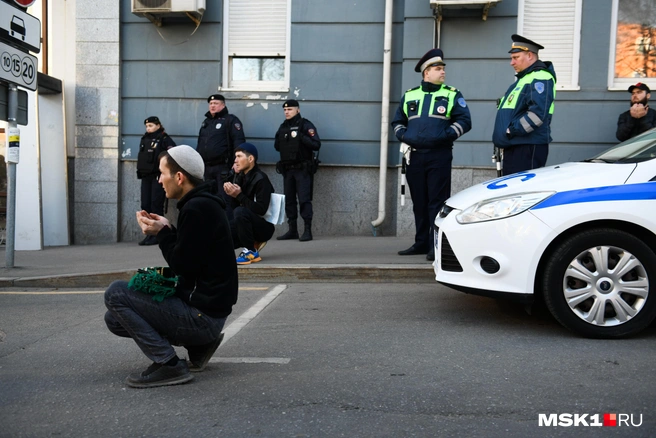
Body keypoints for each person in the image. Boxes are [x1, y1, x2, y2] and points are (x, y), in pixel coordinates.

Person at [104, 145, 238, 388]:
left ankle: (169, 364)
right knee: (117, 313)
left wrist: (163, 234)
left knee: (116, 293)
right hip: (206, 308)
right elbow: (193, 256)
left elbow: (183, 266)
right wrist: (167, 228)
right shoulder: (201, 204)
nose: (159, 179)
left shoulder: (197, 208)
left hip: (202, 316)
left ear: (179, 177)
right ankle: (199, 346)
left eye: (162, 173)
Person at [392, 48, 472, 261]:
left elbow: (465, 121)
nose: (443, 72)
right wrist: (404, 136)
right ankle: (421, 242)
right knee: (419, 201)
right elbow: (397, 122)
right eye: (438, 68)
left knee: (436, 203)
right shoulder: (410, 95)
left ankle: (435, 245)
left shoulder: (452, 94)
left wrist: (445, 136)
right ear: (426, 72)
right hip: (415, 156)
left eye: (443, 68)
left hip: (439, 156)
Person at [493, 34, 556, 176]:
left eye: (516, 58)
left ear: (530, 55)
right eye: (511, 58)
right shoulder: (523, 79)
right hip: (517, 146)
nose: (512, 63)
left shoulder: (540, 77)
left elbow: (538, 114)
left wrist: (511, 130)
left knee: (521, 193)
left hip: (527, 146)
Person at [274, 99, 321, 242]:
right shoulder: (282, 127)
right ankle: (292, 230)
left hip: (302, 170)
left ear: (297, 110)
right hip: (288, 170)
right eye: (285, 110)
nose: (287, 112)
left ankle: (307, 230)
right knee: (289, 201)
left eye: (290, 109)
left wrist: (300, 137)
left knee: (304, 200)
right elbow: (277, 146)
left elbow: (316, 144)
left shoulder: (305, 125)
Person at [223, 142, 275, 265]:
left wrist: (239, 195)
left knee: (240, 212)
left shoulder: (261, 179)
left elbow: (261, 209)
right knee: (222, 228)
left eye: (239, 156)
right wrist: (231, 190)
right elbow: (234, 207)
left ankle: (251, 251)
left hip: (264, 227)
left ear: (250, 159)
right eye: (235, 157)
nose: (235, 160)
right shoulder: (240, 176)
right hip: (245, 223)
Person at [197, 94, 246, 219]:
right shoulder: (206, 122)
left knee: (225, 200)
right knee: (209, 200)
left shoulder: (231, 120)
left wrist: (237, 162)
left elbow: (239, 142)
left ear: (223, 105)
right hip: (207, 169)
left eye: (216, 103)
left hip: (223, 168)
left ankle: (229, 231)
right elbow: (201, 144)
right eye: (211, 104)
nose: (212, 106)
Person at [135, 116, 176, 246]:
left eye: (151, 126)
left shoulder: (164, 139)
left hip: (158, 177)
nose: (148, 128)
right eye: (147, 126)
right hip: (146, 177)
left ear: (158, 126)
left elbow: (172, 154)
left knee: (155, 205)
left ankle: (157, 234)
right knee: (145, 205)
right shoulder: (145, 138)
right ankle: (149, 234)